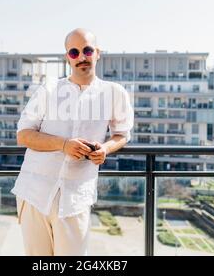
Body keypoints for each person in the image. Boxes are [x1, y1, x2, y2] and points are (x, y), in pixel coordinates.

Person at [11, 28, 134, 256]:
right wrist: (64, 144)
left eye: (87, 50)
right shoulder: (48, 89)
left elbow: (123, 133)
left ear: (98, 53)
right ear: (68, 57)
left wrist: (105, 149)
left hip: (76, 198)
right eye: (74, 52)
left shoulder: (114, 93)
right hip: (34, 193)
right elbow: (24, 135)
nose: (82, 57)